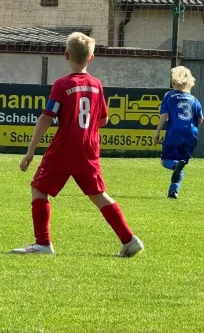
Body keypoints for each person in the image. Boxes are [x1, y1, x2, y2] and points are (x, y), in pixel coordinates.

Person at [12, 32, 144, 257]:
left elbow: (47, 116)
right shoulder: (96, 84)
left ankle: (42, 244)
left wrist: (30, 150)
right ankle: (129, 239)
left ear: (66, 55)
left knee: (39, 189)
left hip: (65, 147)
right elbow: (103, 119)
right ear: (91, 58)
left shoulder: (62, 84)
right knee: (98, 194)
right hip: (89, 147)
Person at [154, 66, 204, 199]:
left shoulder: (169, 96)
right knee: (181, 164)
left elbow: (164, 114)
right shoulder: (194, 99)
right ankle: (173, 191)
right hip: (190, 134)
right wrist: (192, 128)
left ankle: (175, 165)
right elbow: (200, 118)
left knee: (165, 161)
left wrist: (158, 131)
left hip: (174, 133)